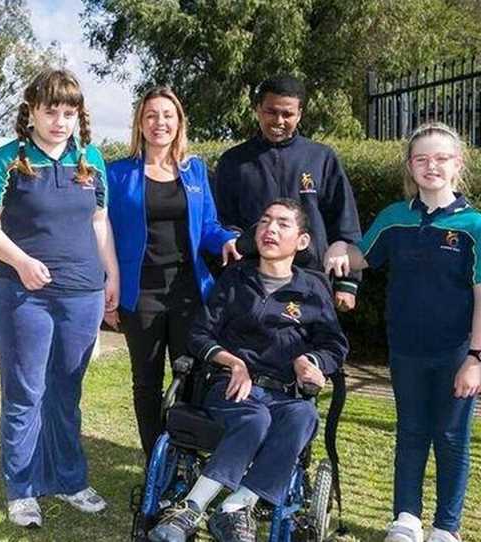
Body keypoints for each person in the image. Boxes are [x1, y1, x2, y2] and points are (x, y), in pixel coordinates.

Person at [0, 68, 119, 529]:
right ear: (31, 111)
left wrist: (110, 275)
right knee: (25, 393)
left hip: (83, 295)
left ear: (78, 116)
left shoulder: (91, 159)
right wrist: (20, 262)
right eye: (50, 110)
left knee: (66, 391)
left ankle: (70, 480)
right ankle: (23, 489)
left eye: (68, 112)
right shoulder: (7, 160)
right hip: (21, 296)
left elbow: (99, 222)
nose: (59, 120)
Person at [149, 199, 348, 542]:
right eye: (265, 221)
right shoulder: (235, 278)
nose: (270, 229)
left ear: (302, 241)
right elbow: (199, 333)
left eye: (283, 224)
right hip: (231, 387)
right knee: (255, 418)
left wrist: (311, 362)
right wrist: (232, 362)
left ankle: (234, 509)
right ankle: (191, 509)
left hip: (284, 392)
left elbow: (334, 344)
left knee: (303, 416)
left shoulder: (313, 288)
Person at [324, 122, 480, 542]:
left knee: (450, 438)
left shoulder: (474, 225)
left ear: (457, 164)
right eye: (422, 158)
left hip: (457, 352)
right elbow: (361, 257)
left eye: (441, 158)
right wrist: (340, 247)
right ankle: (406, 520)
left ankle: (446, 527)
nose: (432, 166)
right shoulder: (394, 218)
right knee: (410, 432)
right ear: (410, 166)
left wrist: (476, 358)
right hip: (406, 350)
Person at [105, 86, 240, 459]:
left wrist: (227, 240)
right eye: (151, 115)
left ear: (179, 122)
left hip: (188, 293)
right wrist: (107, 288)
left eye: (167, 115)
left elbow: (209, 225)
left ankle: (185, 456)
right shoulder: (116, 174)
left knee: (192, 377)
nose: (159, 122)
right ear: (140, 123)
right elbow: (104, 233)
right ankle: (155, 461)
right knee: (146, 384)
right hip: (140, 294)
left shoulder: (194, 170)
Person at [214, 75, 362, 312]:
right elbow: (222, 222)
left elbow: (344, 222)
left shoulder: (321, 158)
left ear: (299, 114)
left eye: (288, 114)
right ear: (258, 111)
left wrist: (348, 282)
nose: (279, 120)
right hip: (252, 285)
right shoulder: (234, 161)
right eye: (271, 112)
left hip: (312, 281)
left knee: (312, 348)